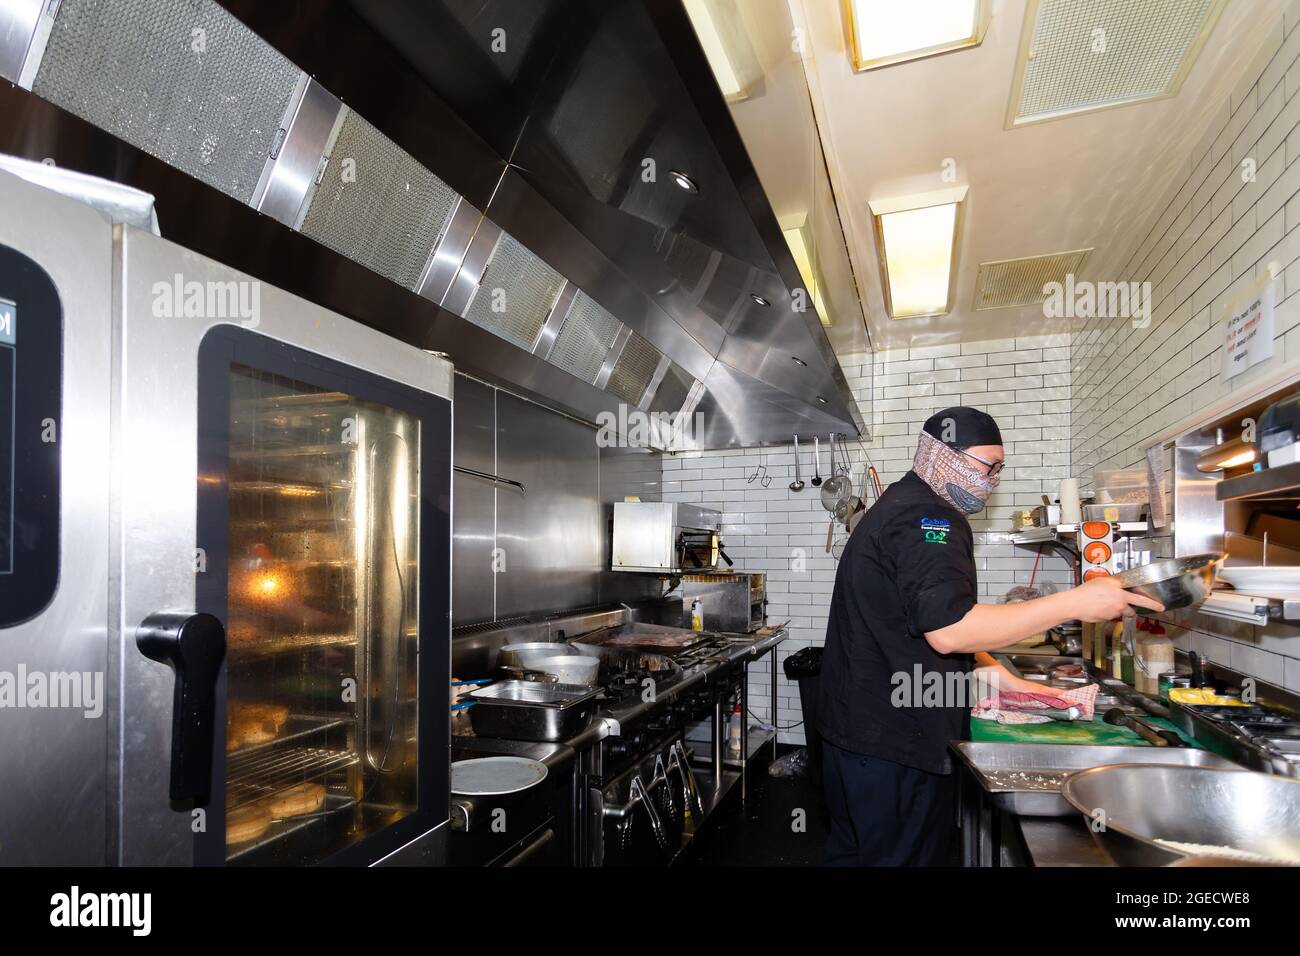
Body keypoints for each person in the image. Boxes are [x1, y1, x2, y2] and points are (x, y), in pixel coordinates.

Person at [815, 406, 1162, 866]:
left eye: (1000, 468)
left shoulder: (900, 505)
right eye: (987, 466)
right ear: (943, 456)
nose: (993, 480)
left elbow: (920, 623)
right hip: (894, 745)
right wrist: (1077, 602)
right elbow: (949, 630)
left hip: (855, 739)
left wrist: (1011, 683)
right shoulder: (929, 520)